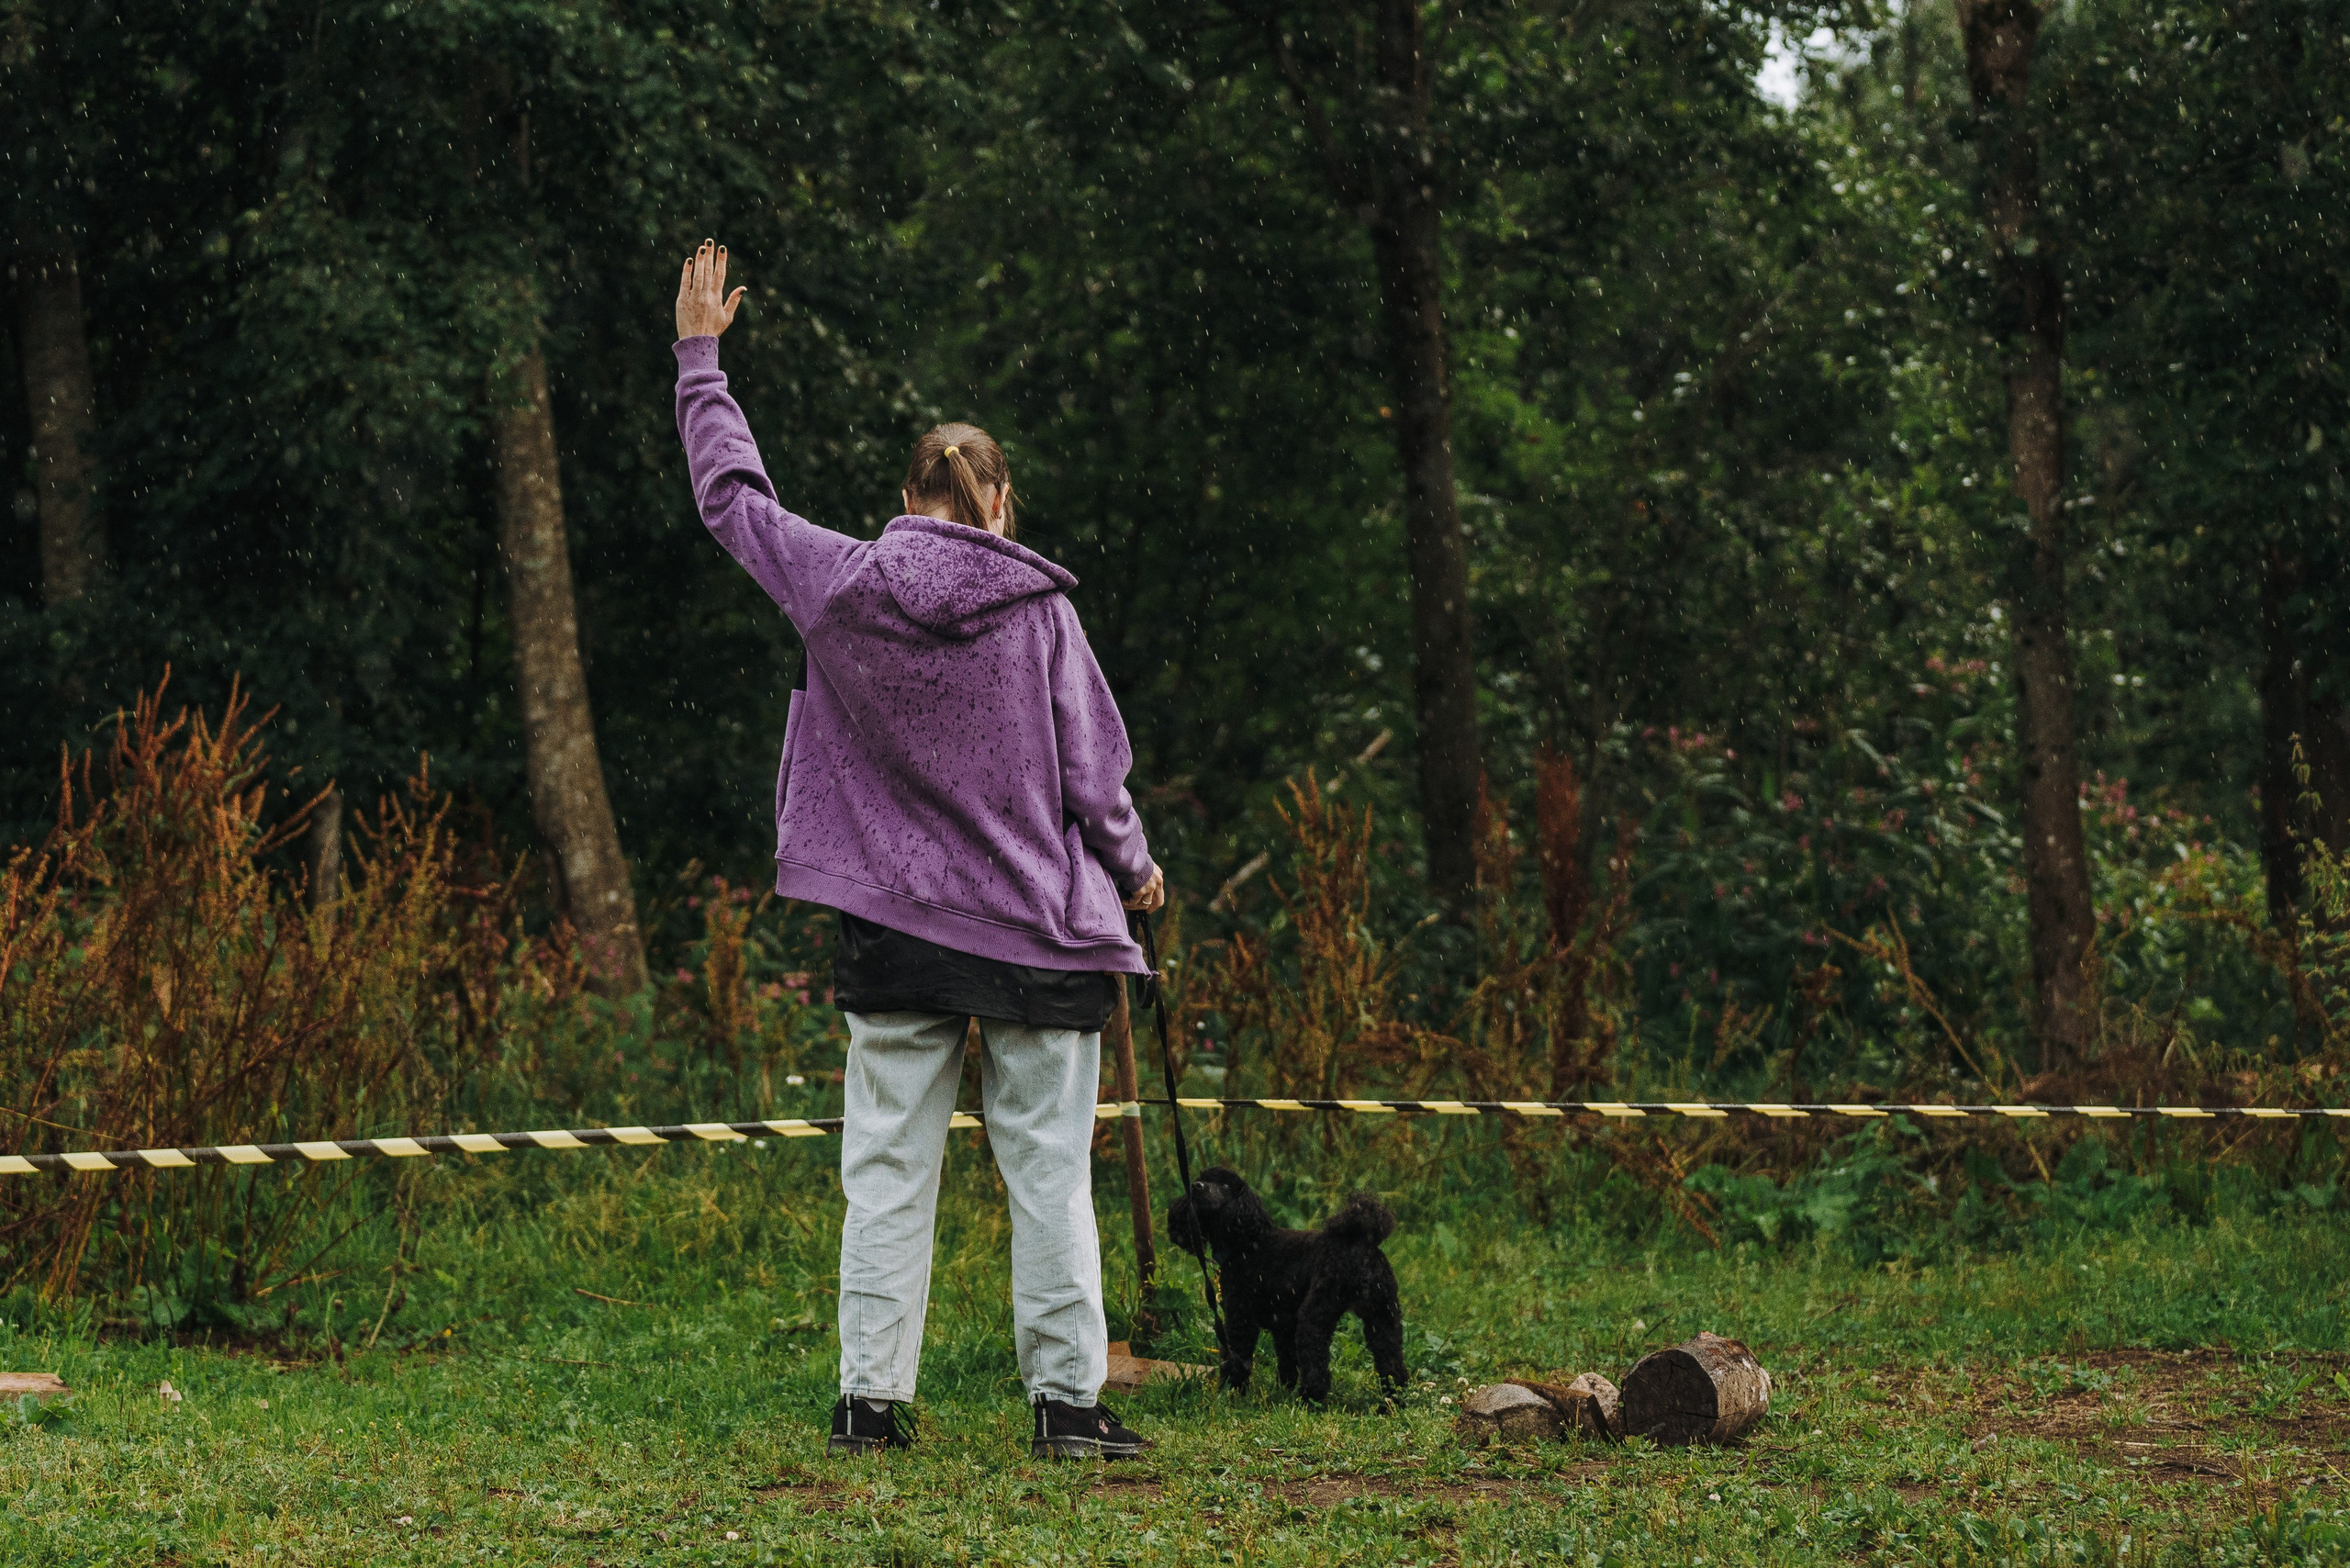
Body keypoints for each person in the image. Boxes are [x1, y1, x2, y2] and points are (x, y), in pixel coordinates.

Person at [671, 241, 1166, 1461]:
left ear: (905, 503)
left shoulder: (843, 582)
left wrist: (701, 358)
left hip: (893, 927)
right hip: (1036, 934)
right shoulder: (1041, 610)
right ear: (1002, 504)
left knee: (888, 1171)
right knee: (1048, 1175)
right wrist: (1138, 867)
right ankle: (1065, 1411)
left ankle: (869, 1410)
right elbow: (1093, 776)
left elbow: (731, 499)